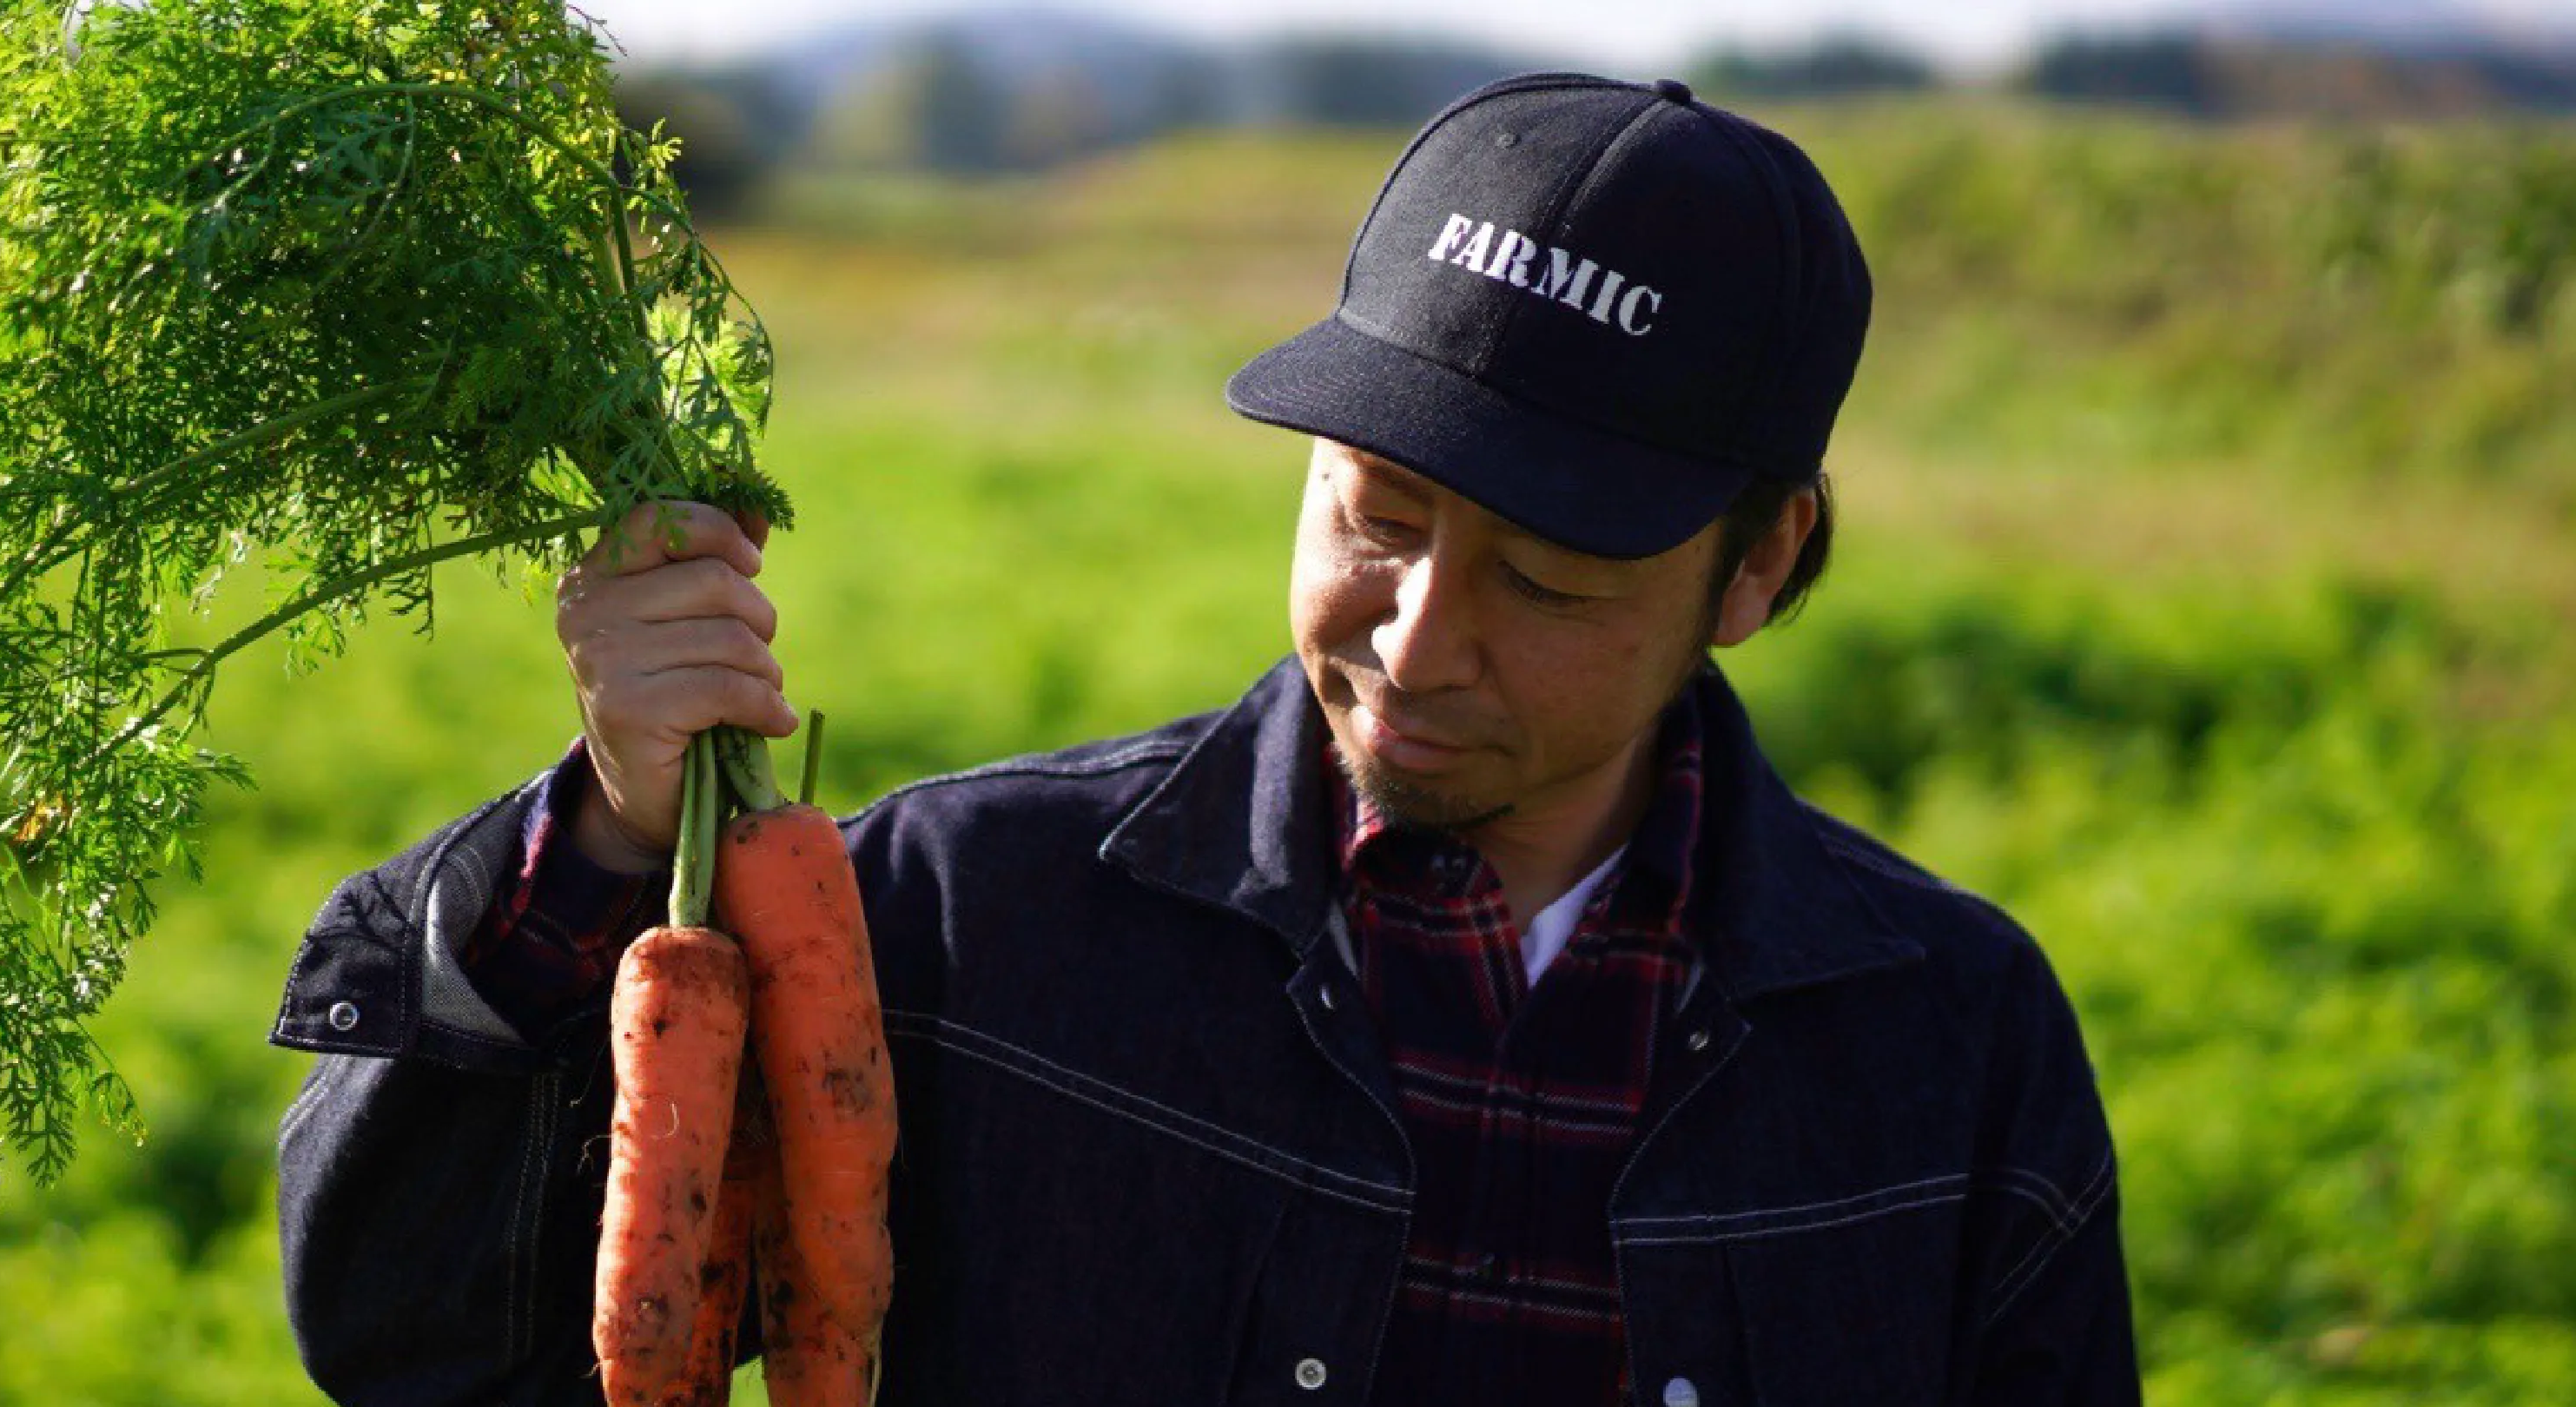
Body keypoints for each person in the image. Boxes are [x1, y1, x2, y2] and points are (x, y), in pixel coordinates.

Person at [268, 73, 2138, 1406]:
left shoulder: (1947, 1048)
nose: (1414, 639)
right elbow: (421, 1347)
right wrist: (611, 838)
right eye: (1376, 514)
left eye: (1550, 579)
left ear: (1761, 563)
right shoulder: (961, 917)